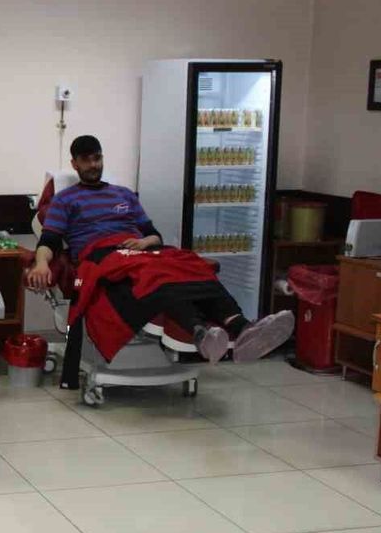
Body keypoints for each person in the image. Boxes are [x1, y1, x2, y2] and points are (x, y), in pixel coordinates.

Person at [26, 134, 293, 365]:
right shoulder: (65, 200)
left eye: (97, 158)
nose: (93, 165)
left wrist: (145, 242)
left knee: (192, 265)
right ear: (75, 164)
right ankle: (198, 331)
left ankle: (243, 328)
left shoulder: (124, 194)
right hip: (102, 254)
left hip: (142, 250)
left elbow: (153, 233)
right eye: (86, 160)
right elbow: (49, 240)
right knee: (156, 275)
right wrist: (41, 264)